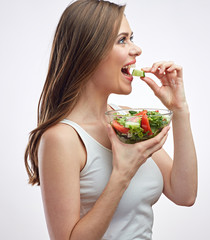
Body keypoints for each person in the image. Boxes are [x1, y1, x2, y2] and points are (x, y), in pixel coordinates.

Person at [24, 0, 198, 239]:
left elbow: (184, 194)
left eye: (132, 38)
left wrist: (179, 109)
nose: (136, 50)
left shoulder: (127, 119)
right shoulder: (61, 139)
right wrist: (122, 174)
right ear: (89, 53)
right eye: (122, 40)